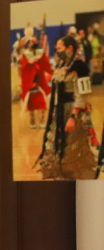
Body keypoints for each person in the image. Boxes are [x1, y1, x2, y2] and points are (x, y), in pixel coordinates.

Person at [37, 35, 100, 179]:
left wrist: (73, 116)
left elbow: (82, 95)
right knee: (57, 143)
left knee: (73, 146)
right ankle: (62, 173)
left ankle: (73, 177)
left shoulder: (79, 67)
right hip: (59, 112)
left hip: (73, 111)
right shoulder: (62, 65)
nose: (57, 51)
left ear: (69, 49)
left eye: (59, 49)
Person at [19, 37, 52, 128]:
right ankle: (32, 121)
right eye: (30, 43)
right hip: (31, 85)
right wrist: (31, 63)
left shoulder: (41, 53)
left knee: (43, 104)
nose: (31, 44)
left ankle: (42, 121)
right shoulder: (25, 55)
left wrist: (38, 61)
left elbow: (45, 65)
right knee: (31, 106)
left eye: (33, 42)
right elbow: (24, 68)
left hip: (39, 83)